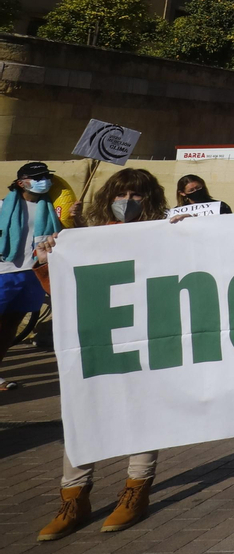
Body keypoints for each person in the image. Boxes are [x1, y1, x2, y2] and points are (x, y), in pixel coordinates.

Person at [36, 168, 169, 540]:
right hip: (96, 338)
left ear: (151, 200)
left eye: (137, 195)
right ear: (108, 196)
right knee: (82, 411)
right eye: (122, 194)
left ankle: (136, 490)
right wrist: (51, 259)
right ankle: (73, 498)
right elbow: (60, 291)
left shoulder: (166, 232)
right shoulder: (85, 239)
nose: (128, 202)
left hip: (146, 336)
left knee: (143, 412)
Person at [0, 164, 62, 385]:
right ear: (21, 182)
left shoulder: (52, 209)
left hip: (32, 273)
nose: (43, 180)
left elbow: (61, 236)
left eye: (45, 176)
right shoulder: (2, 206)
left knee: (11, 325)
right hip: (4, 272)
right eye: (37, 177)